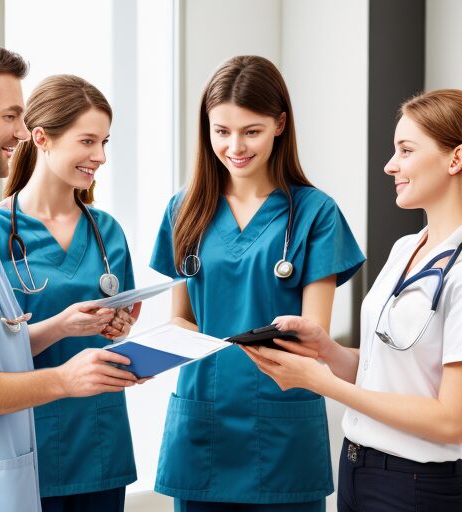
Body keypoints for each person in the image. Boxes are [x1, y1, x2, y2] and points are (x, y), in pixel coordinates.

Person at [150, 55, 365, 511]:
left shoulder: (315, 213)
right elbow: (182, 318)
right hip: (202, 423)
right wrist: (149, 348)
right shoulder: (183, 209)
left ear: (280, 124)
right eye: (221, 131)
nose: (235, 146)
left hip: (281, 425)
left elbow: (312, 337)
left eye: (252, 131)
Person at [243, 89, 462, 512]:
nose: (390, 165)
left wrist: (321, 384)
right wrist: (328, 353)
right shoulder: (406, 248)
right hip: (358, 467)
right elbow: (391, 370)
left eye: (406, 150)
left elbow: (451, 421)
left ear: (455, 159)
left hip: (417, 483)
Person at [0, 41, 138, 512]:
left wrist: (83, 327)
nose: (20, 130)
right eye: (10, 116)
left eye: (104, 142)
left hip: (89, 441)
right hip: (14, 444)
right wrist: (61, 371)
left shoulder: (104, 229)